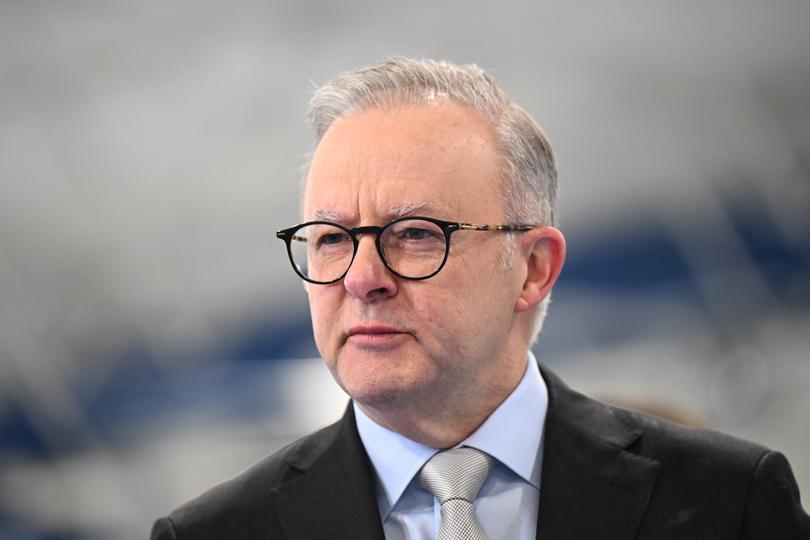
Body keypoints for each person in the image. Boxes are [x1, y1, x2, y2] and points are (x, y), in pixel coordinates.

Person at [151, 57, 810, 540]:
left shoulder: (730, 504)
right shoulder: (214, 535)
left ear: (532, 268)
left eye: (413, 234)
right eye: (329, 239)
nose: (360, 278)